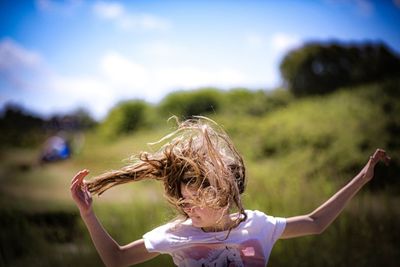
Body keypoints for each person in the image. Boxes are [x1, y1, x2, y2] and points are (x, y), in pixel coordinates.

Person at [70, 116, 390, 267]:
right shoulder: (177, 234)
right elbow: (116, 259)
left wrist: (362, 177)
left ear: (224, 195)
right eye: (185, 201)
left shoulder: (259, 226)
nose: (189, 209)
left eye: (197, 201)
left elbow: (315, 222)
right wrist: (88, 213)